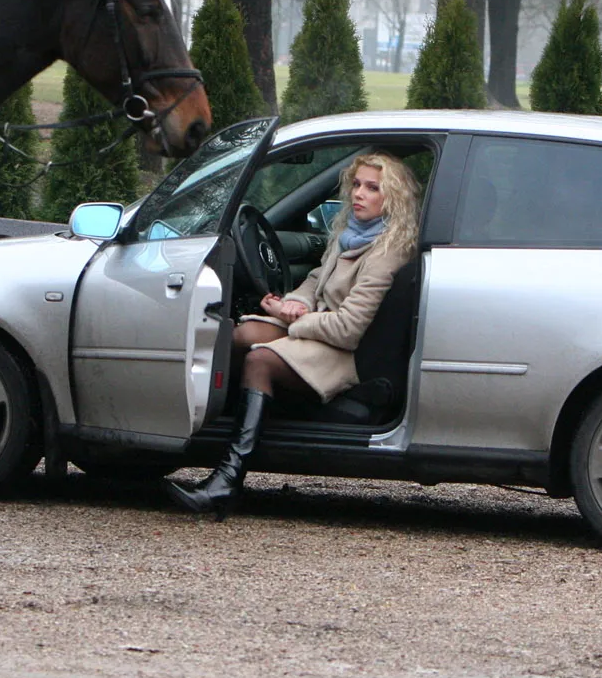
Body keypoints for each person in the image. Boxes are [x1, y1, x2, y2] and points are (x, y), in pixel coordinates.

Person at [167, 152, 422, 515]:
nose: (357, 194)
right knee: (238, 336)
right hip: (319, 330)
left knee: (259, 360)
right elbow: (316, 279)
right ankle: (212, 427)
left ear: (392, 198)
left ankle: (226, 481)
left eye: (371, 188)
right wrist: (291, 303)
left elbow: (349, 330)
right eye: (355, 184)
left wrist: (293, 321)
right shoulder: (351, 235)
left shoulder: (387, 252)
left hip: (345, 352)